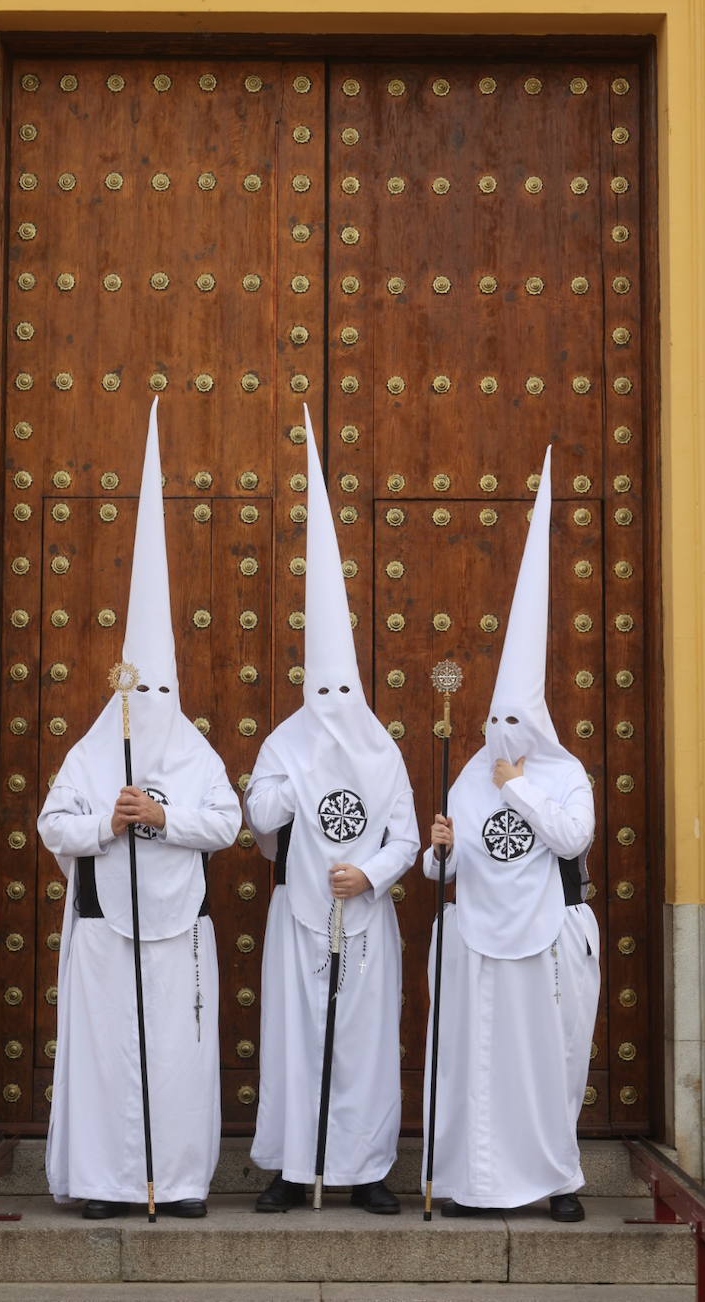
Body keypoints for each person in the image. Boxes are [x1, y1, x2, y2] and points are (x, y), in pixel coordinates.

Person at [38, 398, 240, 1220]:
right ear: (123, 686)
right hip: (101, 927)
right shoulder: (92, 751)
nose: (152, 701)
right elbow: (54, 825)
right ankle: (105, 1181)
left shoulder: (193, 754)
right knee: (108, 1053)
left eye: (163, 689)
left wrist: (161, 820)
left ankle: (180, 1181)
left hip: (177, 928)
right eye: (141, 688)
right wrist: (105, 824)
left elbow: (226, 823)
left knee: (179, 1054)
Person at [246, 404, 420, 1215]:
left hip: (364, 915)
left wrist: (373, 873)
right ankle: (290, 1167)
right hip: (298, 915)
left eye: (341, 691)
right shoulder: (284, 742)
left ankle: (363, 1171)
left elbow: (408, 836)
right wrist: (298, 776)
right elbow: (259, 823)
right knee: (295, 1039)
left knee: (362, 1043)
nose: (331, 703)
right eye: (320, 691)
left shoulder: (383, 750)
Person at [422, 445, 600, 1223]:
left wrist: (519, 788)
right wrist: (438, 847)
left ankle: (556, 1181)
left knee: (544, 1062)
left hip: (549, 936)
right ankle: (476, 1180)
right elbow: (446, 867)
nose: (500, 733)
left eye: (513, 722)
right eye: (492, 723)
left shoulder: (563, 775)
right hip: (479, 938)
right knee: (480, 1063)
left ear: (538, 725)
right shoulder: (468, 774)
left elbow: (568, 840)